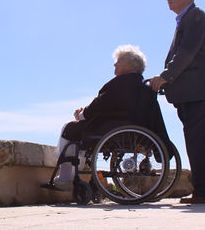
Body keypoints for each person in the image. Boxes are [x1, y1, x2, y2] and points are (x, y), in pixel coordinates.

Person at [150, 0, 205, 204]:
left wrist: (165, 76)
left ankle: (202, 191)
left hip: (201, 91)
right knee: (203, 142)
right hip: (198, 92)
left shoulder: (196, 17)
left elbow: (187, 52)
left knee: (199, 142)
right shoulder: (188, 19)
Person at [41, 45, 148, 191]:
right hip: (131, 131)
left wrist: (81, 115)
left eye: (119, 60)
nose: (115, 64)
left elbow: (100, 105)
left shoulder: (120, 84)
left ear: (131, 64)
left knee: (69, 128)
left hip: (110, 130)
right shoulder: (142, 85)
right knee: (80, 129)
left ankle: (65, 179)